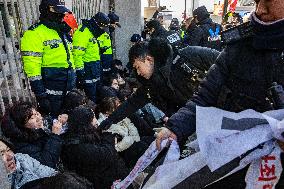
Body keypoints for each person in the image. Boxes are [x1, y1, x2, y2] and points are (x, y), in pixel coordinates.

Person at [156, 0, 284, 188]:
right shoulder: (239, 45)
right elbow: (205, 95)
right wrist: (176, 126)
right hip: (231, 158)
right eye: (257, 1)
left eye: (270, 1)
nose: (260, 9)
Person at [99, 38, 220, 130]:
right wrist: (109, 121)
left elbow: (226, 61)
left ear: (149, 60)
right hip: (205, 123)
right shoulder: (151, 86)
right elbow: (131, 103)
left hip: (228, 107)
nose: (138, 73)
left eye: (138, 67)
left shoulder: (189, 56)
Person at [21, 0, 76, 117]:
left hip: (68, 86)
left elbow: (70, 57)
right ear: (46, 11)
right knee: (54, 122)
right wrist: (41, 95)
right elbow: (32, 68)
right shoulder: (34, 33)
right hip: (51, 90)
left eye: (62, 13)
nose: (61, 16)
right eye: (58, 13)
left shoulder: (61, 31)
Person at [61, 106, 129, 189]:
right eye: (93, 118)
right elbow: (107, 154)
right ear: (86, 122)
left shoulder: (79, 134)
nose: (96, 121)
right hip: (101, 180)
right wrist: (108, 135)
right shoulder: (76, 146)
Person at [1, 101, 63, 169]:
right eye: (32, 118)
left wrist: (62, 121)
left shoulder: (36, 129)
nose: (39, 118)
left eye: (36, 113)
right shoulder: (22, 145)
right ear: (21, 125)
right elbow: (46, 164)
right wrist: (55, 136)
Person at [72, 12, 110, 103]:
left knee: (97, 97)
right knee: (91, 98)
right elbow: (77, 54)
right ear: (97, 24)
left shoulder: (92, 32)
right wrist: (81, 73)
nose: (103, 30)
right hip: (87, 72)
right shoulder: (83, 32)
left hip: (95, 70)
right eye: (102, 27)